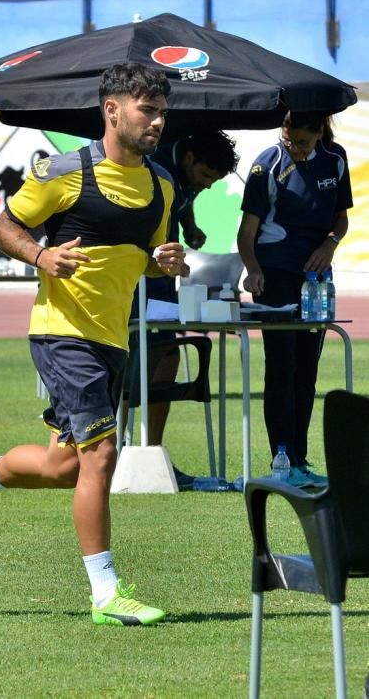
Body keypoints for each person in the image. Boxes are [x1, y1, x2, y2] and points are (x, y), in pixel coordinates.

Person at [0, 63, 188, 626]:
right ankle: (106, 594)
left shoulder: (162, 185)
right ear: (112, 111)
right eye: (149, 110)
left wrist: (169, 260)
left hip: (111, 337)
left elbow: (151, 255)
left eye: (163, 111)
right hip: (63, 335)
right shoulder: (63, 173)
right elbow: (4, 229)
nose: (159, 121)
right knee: (101, 456)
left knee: (63, 466)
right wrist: (42, 256)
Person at [237, 111, 353, 487]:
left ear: (319, 133)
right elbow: (247, 231)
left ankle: (300, 460)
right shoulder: (266, 165)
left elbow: (341, 219)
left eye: (303, 141)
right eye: (290, 138)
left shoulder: (335, 161)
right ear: (282, 130)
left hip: (316, 280)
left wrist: (329, 246)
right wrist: (253, 267)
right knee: (281, 367)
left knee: (307, 372)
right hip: (275, 277)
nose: (296, 147)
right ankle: (281, 457)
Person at [125, 132, 239, 489]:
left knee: (168, 353)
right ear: (189, 158)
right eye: (205, 176)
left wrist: (190, 227)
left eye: (214, 181)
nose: (206, 186)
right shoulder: (152, 167)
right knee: (132, 362)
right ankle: (112, 451)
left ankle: (152, 453)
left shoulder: (184, 178)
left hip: (161, 278)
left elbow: (183, 204)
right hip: (135, 276)